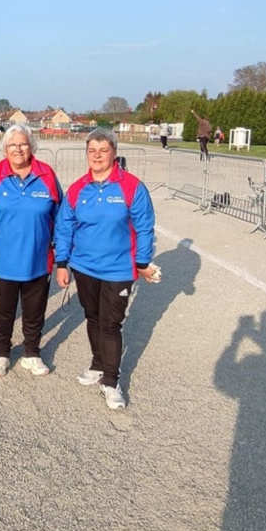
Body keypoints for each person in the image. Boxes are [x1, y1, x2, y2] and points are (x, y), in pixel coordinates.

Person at [54, 128, 158, 410]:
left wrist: (142, 262)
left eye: (103, 150)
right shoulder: (77, 189)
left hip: (118, 269)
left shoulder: (132, 187)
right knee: (93, 318)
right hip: (85, 267)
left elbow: (145, 227)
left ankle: (111, 381)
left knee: (111, 324)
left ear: (114, 152)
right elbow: (64, 228)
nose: (97, 156)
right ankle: (98, 364)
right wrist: (62, 263)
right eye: (92, 151)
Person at [0, 124, 63, 377]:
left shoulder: (46, 175)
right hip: (3, 261)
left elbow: (62, 216)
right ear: (5, 149)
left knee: (35, 313)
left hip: (38, 260)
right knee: (4, 313)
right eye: (13, 145)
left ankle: (32, 353)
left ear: (31, 146)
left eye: (23, 144)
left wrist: (62, 254)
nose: (18, 149)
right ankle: (1, 353)